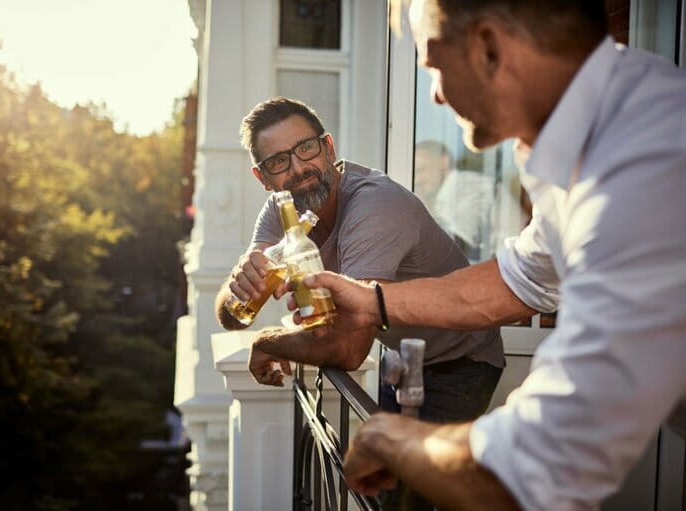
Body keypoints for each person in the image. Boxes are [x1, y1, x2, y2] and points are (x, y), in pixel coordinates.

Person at [280, 1, 686, 509]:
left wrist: (390, 438)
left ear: (489, 48)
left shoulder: (642, 170)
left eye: (433, 65)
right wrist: (371, 301)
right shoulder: (602, 126)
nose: (434, 94)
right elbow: (518, 281)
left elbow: (535, 469)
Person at [214, 97, 504, 429]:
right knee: (385, 469)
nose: (298, 168)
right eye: (279, 161)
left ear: (329, 148)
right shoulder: (283, 210)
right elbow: (233, 316)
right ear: (263, 177)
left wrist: (270, 341)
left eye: (306, 148)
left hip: (459, 360)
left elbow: (349, 350)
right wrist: (239, 281)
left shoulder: (375, 206)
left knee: (416, 476)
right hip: (399, 356)